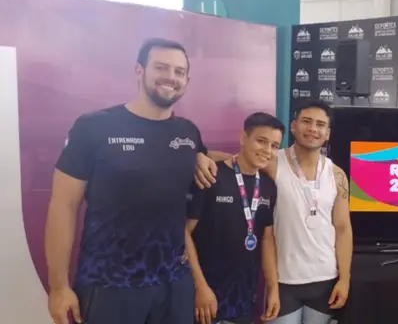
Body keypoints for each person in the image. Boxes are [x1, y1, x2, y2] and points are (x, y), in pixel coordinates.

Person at [45, 38, 215, 324]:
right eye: (161, 67)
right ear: (139, 70)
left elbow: (195, 154)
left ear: (187, 80)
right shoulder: (94, 126)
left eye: (179, 71)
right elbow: (63, 205)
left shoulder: (188, 133)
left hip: (174, 284)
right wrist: (59, 287)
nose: (171, 77)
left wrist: (202, 155)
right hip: (110, 284)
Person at [196, 98, 353, 324]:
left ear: (327, 133)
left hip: (325, 279)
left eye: (320, 124)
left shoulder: (337, 175)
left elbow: (343, 229)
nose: (312, 128)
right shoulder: (272, 161)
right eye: (306, 121)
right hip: (284, 280)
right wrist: (199, 157)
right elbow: (236, 161)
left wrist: (344, 279)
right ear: (294, 126)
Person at [186, 112, 285, 324]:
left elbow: (267, 239)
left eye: (274, 146)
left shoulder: (268, 186)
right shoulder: (211, 176)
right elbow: (184, 233)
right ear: (243, 137)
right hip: (205, 297)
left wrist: (273, 289)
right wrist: (200, 287)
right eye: (261, 141)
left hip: (243, 299)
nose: (267, 150)